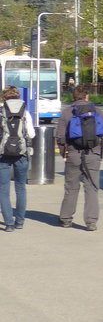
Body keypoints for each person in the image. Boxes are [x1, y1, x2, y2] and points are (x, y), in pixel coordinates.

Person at [56, 87, 103, 231]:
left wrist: (64, 154)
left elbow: (60, 137)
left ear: (73, 97)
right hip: (93, 153)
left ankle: (66, 219)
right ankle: (91, 221)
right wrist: (101, 154)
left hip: (73, 154)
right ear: (86, 96)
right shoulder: (97, 111)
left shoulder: (67, 112)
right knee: (92, 188)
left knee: (71, 188)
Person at [0, 86, 36, 231]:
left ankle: (9, 223)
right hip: (22, 153)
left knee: (3, 189)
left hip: (3, 155)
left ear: (4, 98)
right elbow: (32, 134)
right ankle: (20, 221)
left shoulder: (1, 113)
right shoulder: (25, 113)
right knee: (20, 188)